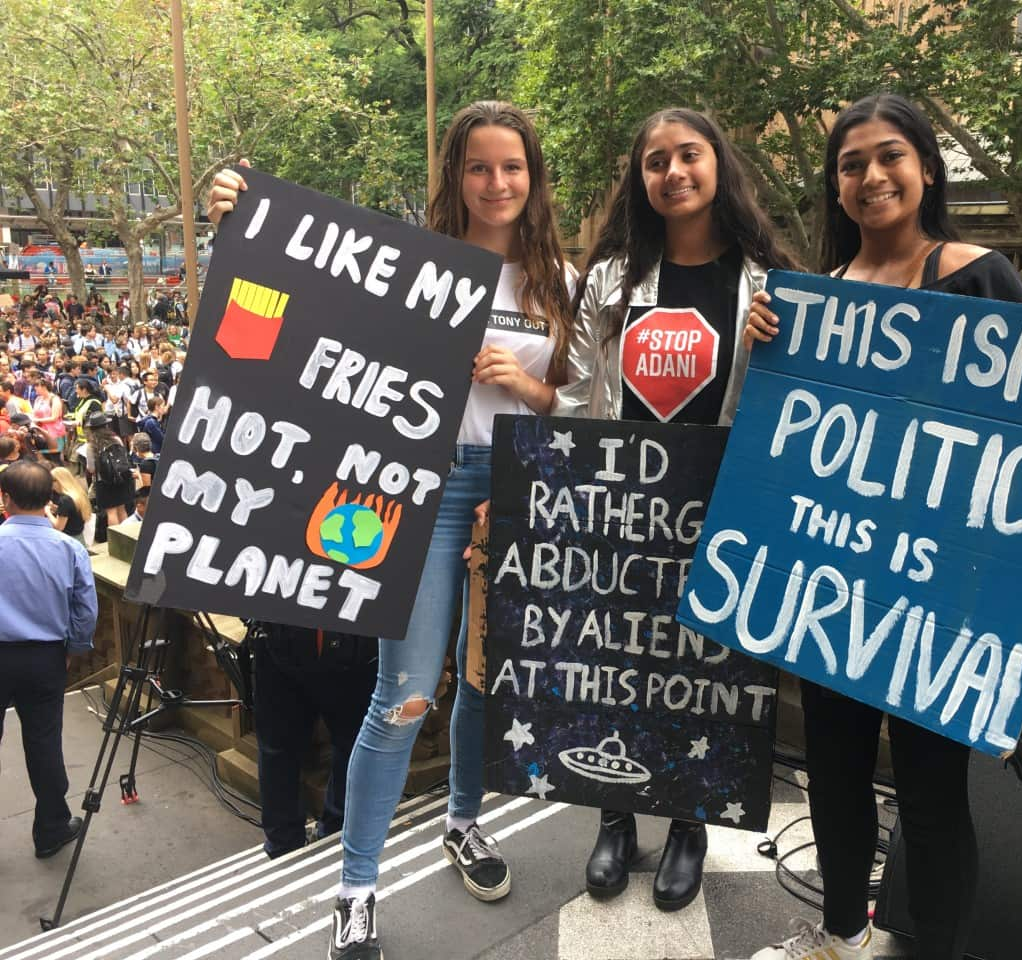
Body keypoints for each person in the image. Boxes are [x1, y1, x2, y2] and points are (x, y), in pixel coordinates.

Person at [742, 93, 1022, 960]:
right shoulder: (814, 302)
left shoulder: (981, 275)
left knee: (931, 799)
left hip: (937, 601)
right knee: (836, 779)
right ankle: (840, 936)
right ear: (835, 187)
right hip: (834, 582)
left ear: (928, 168)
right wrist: (764, 345)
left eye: (889, 156)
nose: (870, 176)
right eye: (850, 165)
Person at [209, 99, 577, 960]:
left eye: (512, 166)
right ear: (455, 175)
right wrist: (240, 211)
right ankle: (357, 886)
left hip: (516, 489)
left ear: (534, 175)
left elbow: (580, 400)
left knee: (480, 681)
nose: (497, 183)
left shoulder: (561, 274)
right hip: (421, 488)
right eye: (479, 167)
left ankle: (461, 822)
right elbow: (300, 311)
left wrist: (525, 392)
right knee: (403, 691)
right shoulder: (409, 265)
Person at [554, 106, 800, 915]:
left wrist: (781, 346)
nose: (673, 172)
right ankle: (615, 818)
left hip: (720, 510)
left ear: (718, 164)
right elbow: (576, 390)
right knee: (617, 662)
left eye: (688, 155)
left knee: (703, 669)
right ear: (641, 179)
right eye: (655, 160)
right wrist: (560, 488)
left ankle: (689, 824)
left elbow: (797, 405)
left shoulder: (768, 283)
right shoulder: (609, 279)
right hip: (622, 511)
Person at [0, 461, 98, 857]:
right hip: (44, 658)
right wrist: (74, 649)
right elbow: (85, 610)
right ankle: (52, 827)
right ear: (50, 500)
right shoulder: (69, 549)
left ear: (5, 499)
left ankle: (55, 825)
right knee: (43, 744)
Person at [248, 621, 377, 860]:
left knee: (352, 744)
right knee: (280, 748)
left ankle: (325, 834)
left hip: (349, 645)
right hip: (286, 639)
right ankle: (287, 843)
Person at [84, 411, 133, 527]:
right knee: (122, 509)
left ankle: (116, 540)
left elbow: (91, 469)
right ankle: (127, 537)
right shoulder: (116, 439)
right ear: (106, 425)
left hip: (104, 481)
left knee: (111, 512)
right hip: (121, 478)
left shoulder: (91, 445)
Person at [48, 465, 91, 541]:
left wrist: (47, 511)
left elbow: (58, 527)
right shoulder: (78, 494)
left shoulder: (64, 500)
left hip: (68, 539)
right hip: (80, 537)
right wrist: (57, 509)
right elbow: (72, 512)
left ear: (59, 481)